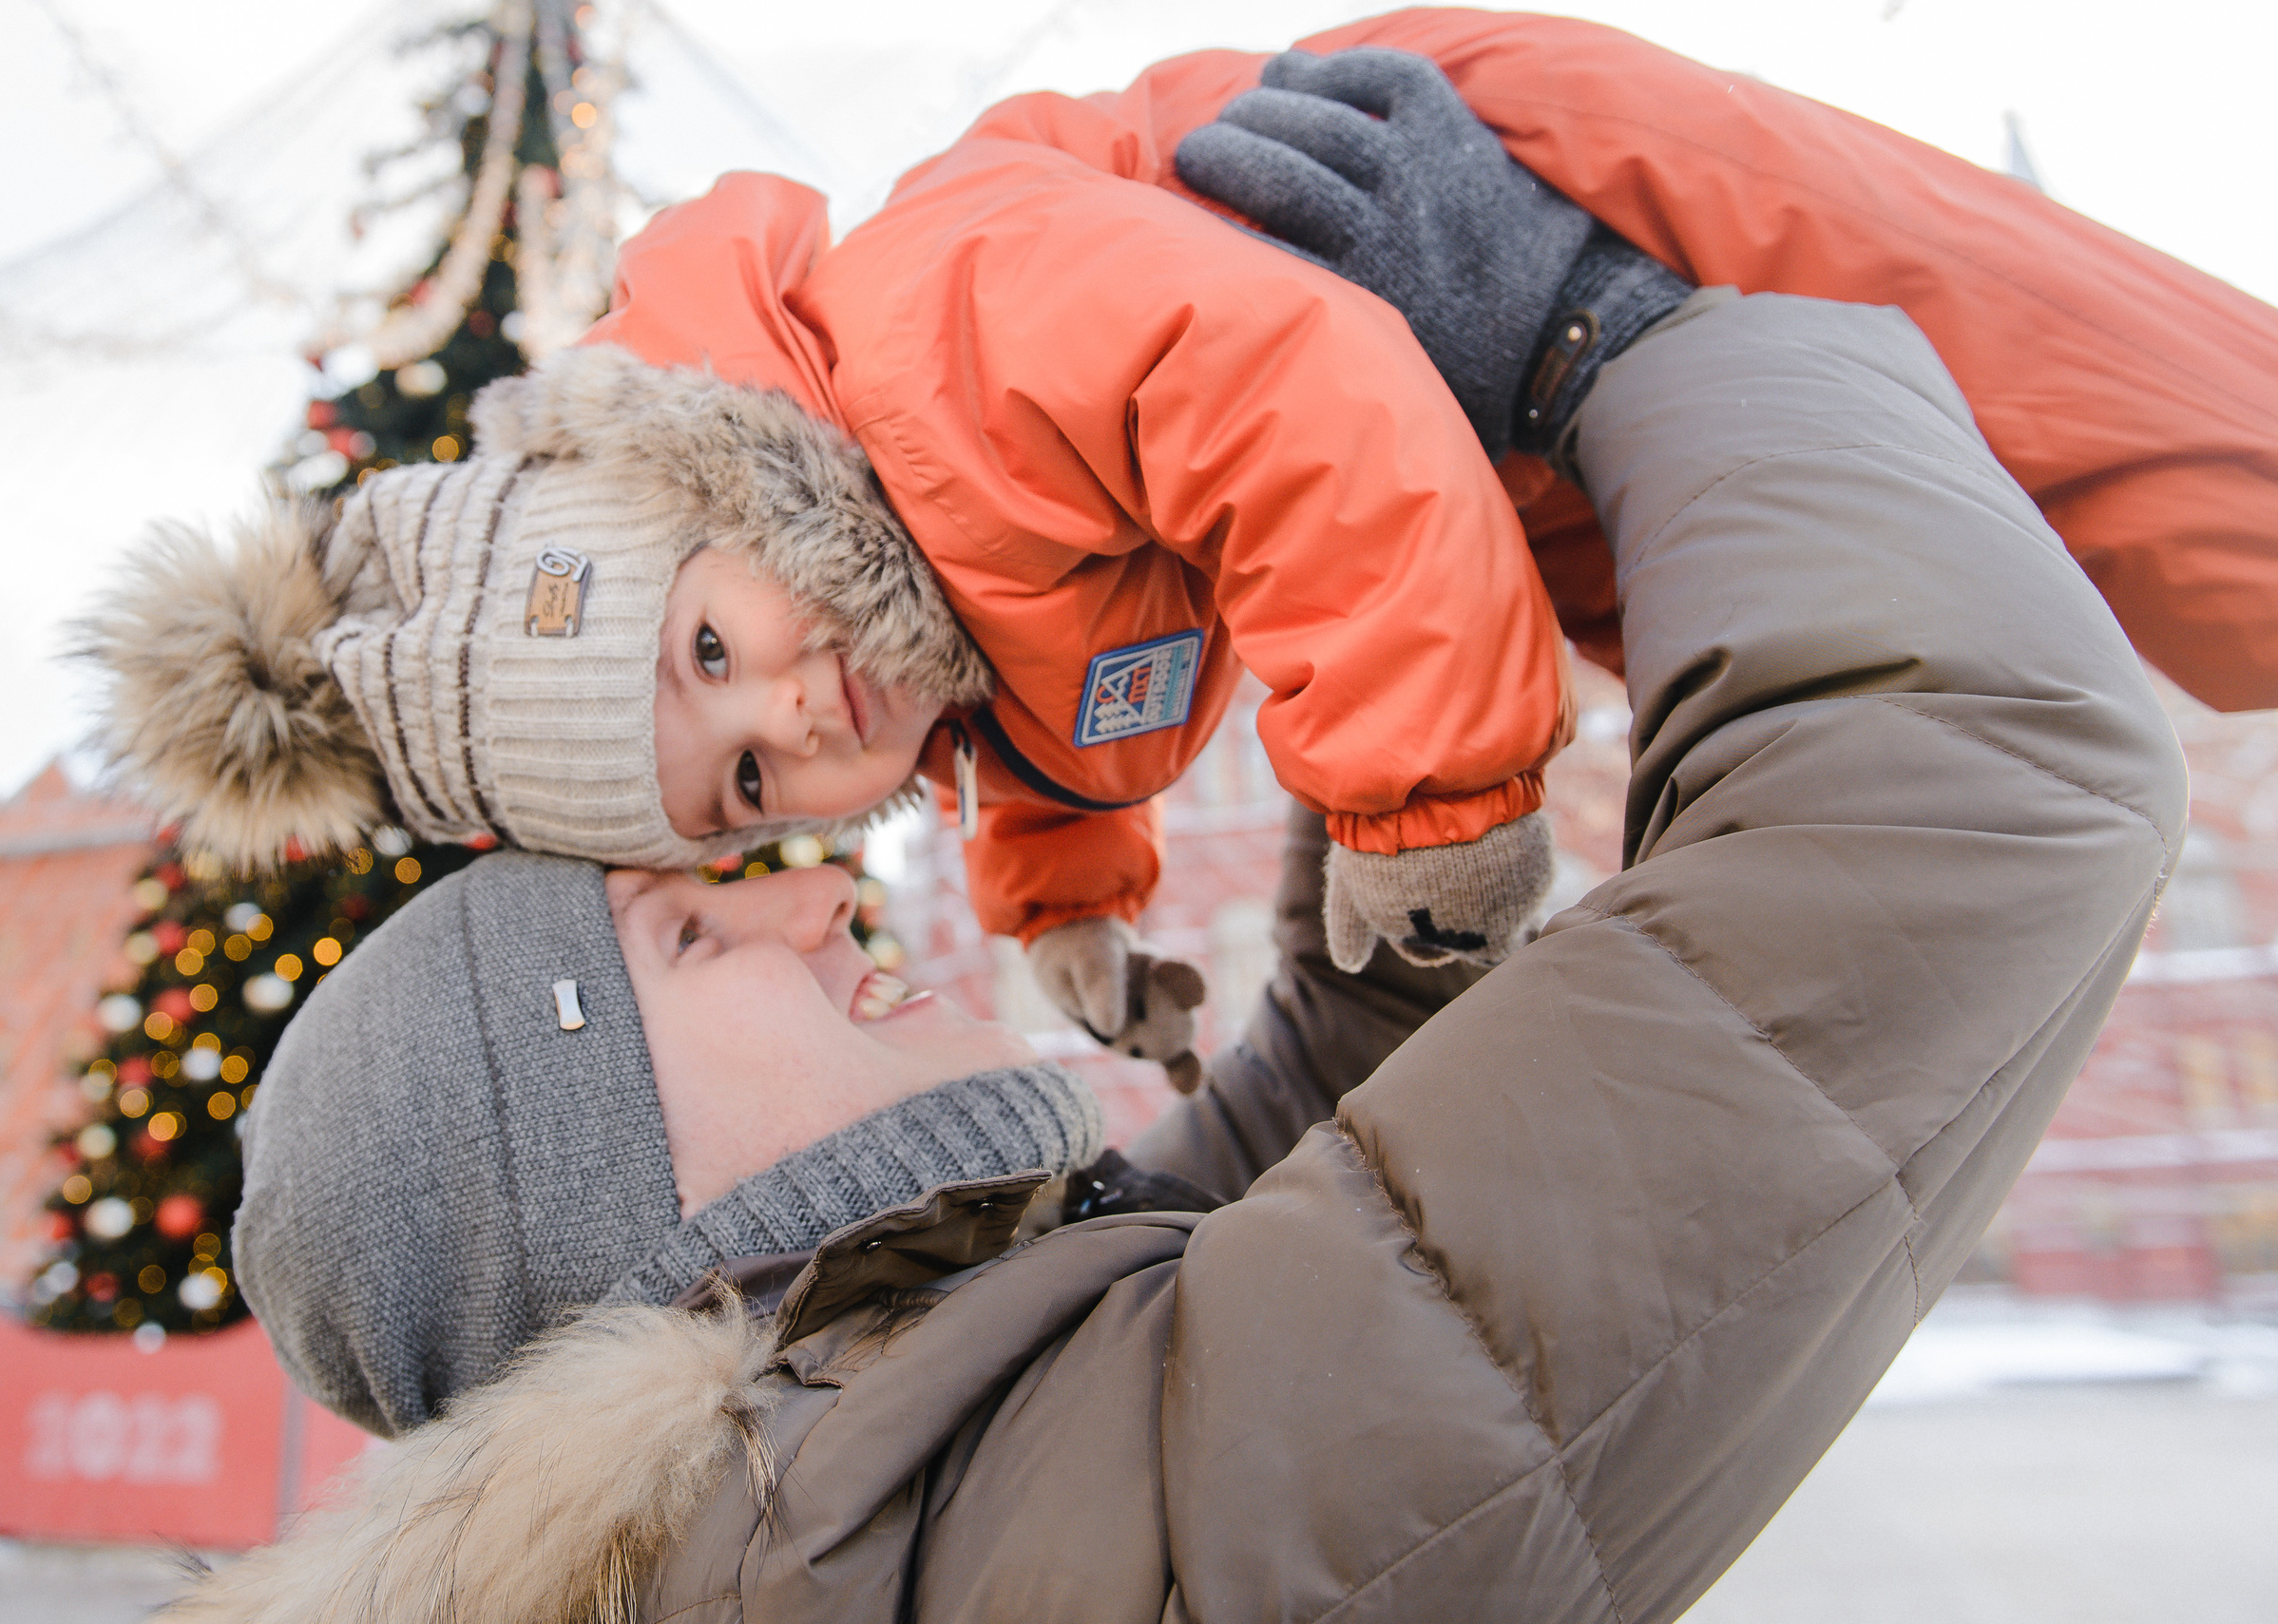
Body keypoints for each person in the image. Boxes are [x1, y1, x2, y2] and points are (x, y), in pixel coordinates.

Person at [163, 264, 2186, 1616]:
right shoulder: (1024, 1539)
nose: (819, 882)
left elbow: (1309, 1191)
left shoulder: (877, 1464)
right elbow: (1977, 788)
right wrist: (1629, 336)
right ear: (623, 1224)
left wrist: (1393, 776)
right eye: (698, 935)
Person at [81, 11, 2278, 1095]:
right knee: (1989, 624)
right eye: (744, 781)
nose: (801, 716)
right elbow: (1042, 706)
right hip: (1514, 436)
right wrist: (1065, 904)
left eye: (708, 651)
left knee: (2118, 451)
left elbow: (1291, 401)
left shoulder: (935, 329)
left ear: (700, 507)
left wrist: (1424, 807)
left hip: (1498, 186)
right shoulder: (911, 601)